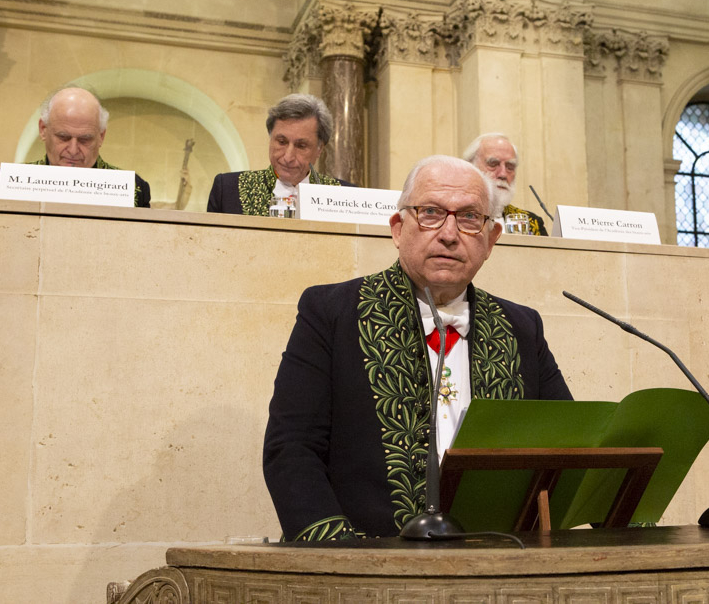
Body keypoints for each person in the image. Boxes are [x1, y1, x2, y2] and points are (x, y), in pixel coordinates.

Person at [263, 156, 572, 541]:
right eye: (430, 213)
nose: (448, 233)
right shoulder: (330, 313)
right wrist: (346, 559)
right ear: (397, 227)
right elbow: (291, 450)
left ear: (491, 239)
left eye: (470, 218)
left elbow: (570, 450)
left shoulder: (522, 328)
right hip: (368, 573)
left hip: (501, 565)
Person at [0, 87, 151, 207]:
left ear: (101, 136)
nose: (73, 150)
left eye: (85, 139)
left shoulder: (133, 190)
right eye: (63, 137)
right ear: (43, 130)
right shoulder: (0, 182)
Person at [207, 94, 353, 215]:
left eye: (301, 146)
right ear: (271, 138)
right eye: (282, 142)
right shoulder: (228, 190)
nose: (288, 157)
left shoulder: (346, 196)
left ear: (319, 149)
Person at [462, 132, 548, 235]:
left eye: (510, 166)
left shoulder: (532, 223)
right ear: (471, 167)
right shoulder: (451, 216)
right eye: (493, 164)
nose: (503, 174)